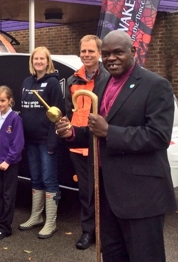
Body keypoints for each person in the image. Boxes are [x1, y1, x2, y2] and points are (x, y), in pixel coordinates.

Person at [56, 30, 176, 262]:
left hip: (140, 196)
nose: (111, 58)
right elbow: (96, 130)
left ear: (133, 52)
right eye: (107, 54)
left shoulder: (155, 85)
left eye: (118, 52)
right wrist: (72, 133)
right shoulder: (102, 85)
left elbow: (159, 136)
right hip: (106, 192)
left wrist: (110, 132)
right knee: (112, 254)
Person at [65, 35, 109, 250]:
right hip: (77, 144)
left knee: (102, 191)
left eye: (91, 51)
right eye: (84, 51)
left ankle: (105, 232)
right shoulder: (73, 80)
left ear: (99, 53)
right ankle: (88, 231)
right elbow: (68, 111)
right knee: (86, 192)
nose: (87, 55)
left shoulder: (107, 78)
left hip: (99, 144)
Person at [19, 46, 64, 239]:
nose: (38, 62)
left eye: (42, 59)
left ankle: (51, 222)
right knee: (35, 179)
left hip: (46, 141)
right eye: (35, 59)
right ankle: (36, 216)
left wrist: (53, 141)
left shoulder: (53, 83)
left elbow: (59, 115)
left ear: (48, 61)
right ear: (32, 61)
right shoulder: (26, 82)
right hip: (29, 141)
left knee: (49, 180)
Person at [0, 86, 24, 241]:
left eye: (3, 100)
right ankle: (0, 223)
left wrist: (8, 160)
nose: (0, 104)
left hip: (9, 165)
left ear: (10, 100)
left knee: (8, 196)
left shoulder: (15, 119)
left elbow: (18, 143)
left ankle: (6, 227)